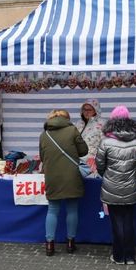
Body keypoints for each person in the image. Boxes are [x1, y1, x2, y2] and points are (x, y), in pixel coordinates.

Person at [95, 105, 136, 265]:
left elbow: (100, 165)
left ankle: (118, 256)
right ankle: (130, 257)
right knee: (129, 221)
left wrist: (108, 176)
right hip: (131, 186)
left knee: (116, 222)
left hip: (111, 187)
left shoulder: (105, 142)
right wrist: (131, 173)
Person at [39, 109, 88, 256]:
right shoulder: (72, 130)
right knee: (72, 209)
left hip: (52, 176)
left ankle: (49, 245)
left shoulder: (44, 134)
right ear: (66, 119)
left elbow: (42, 157)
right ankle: (71, 243)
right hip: (71, 176)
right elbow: (84, 150)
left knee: (52, 209)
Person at [75, 99, 103, 173]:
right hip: (78, 160)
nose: (86, 112)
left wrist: (96, 158)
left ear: (95, 110)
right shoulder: (79, 124)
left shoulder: (102, 124)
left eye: (89, 110)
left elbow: (104, 144)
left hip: (93, 161)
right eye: (84, 109)